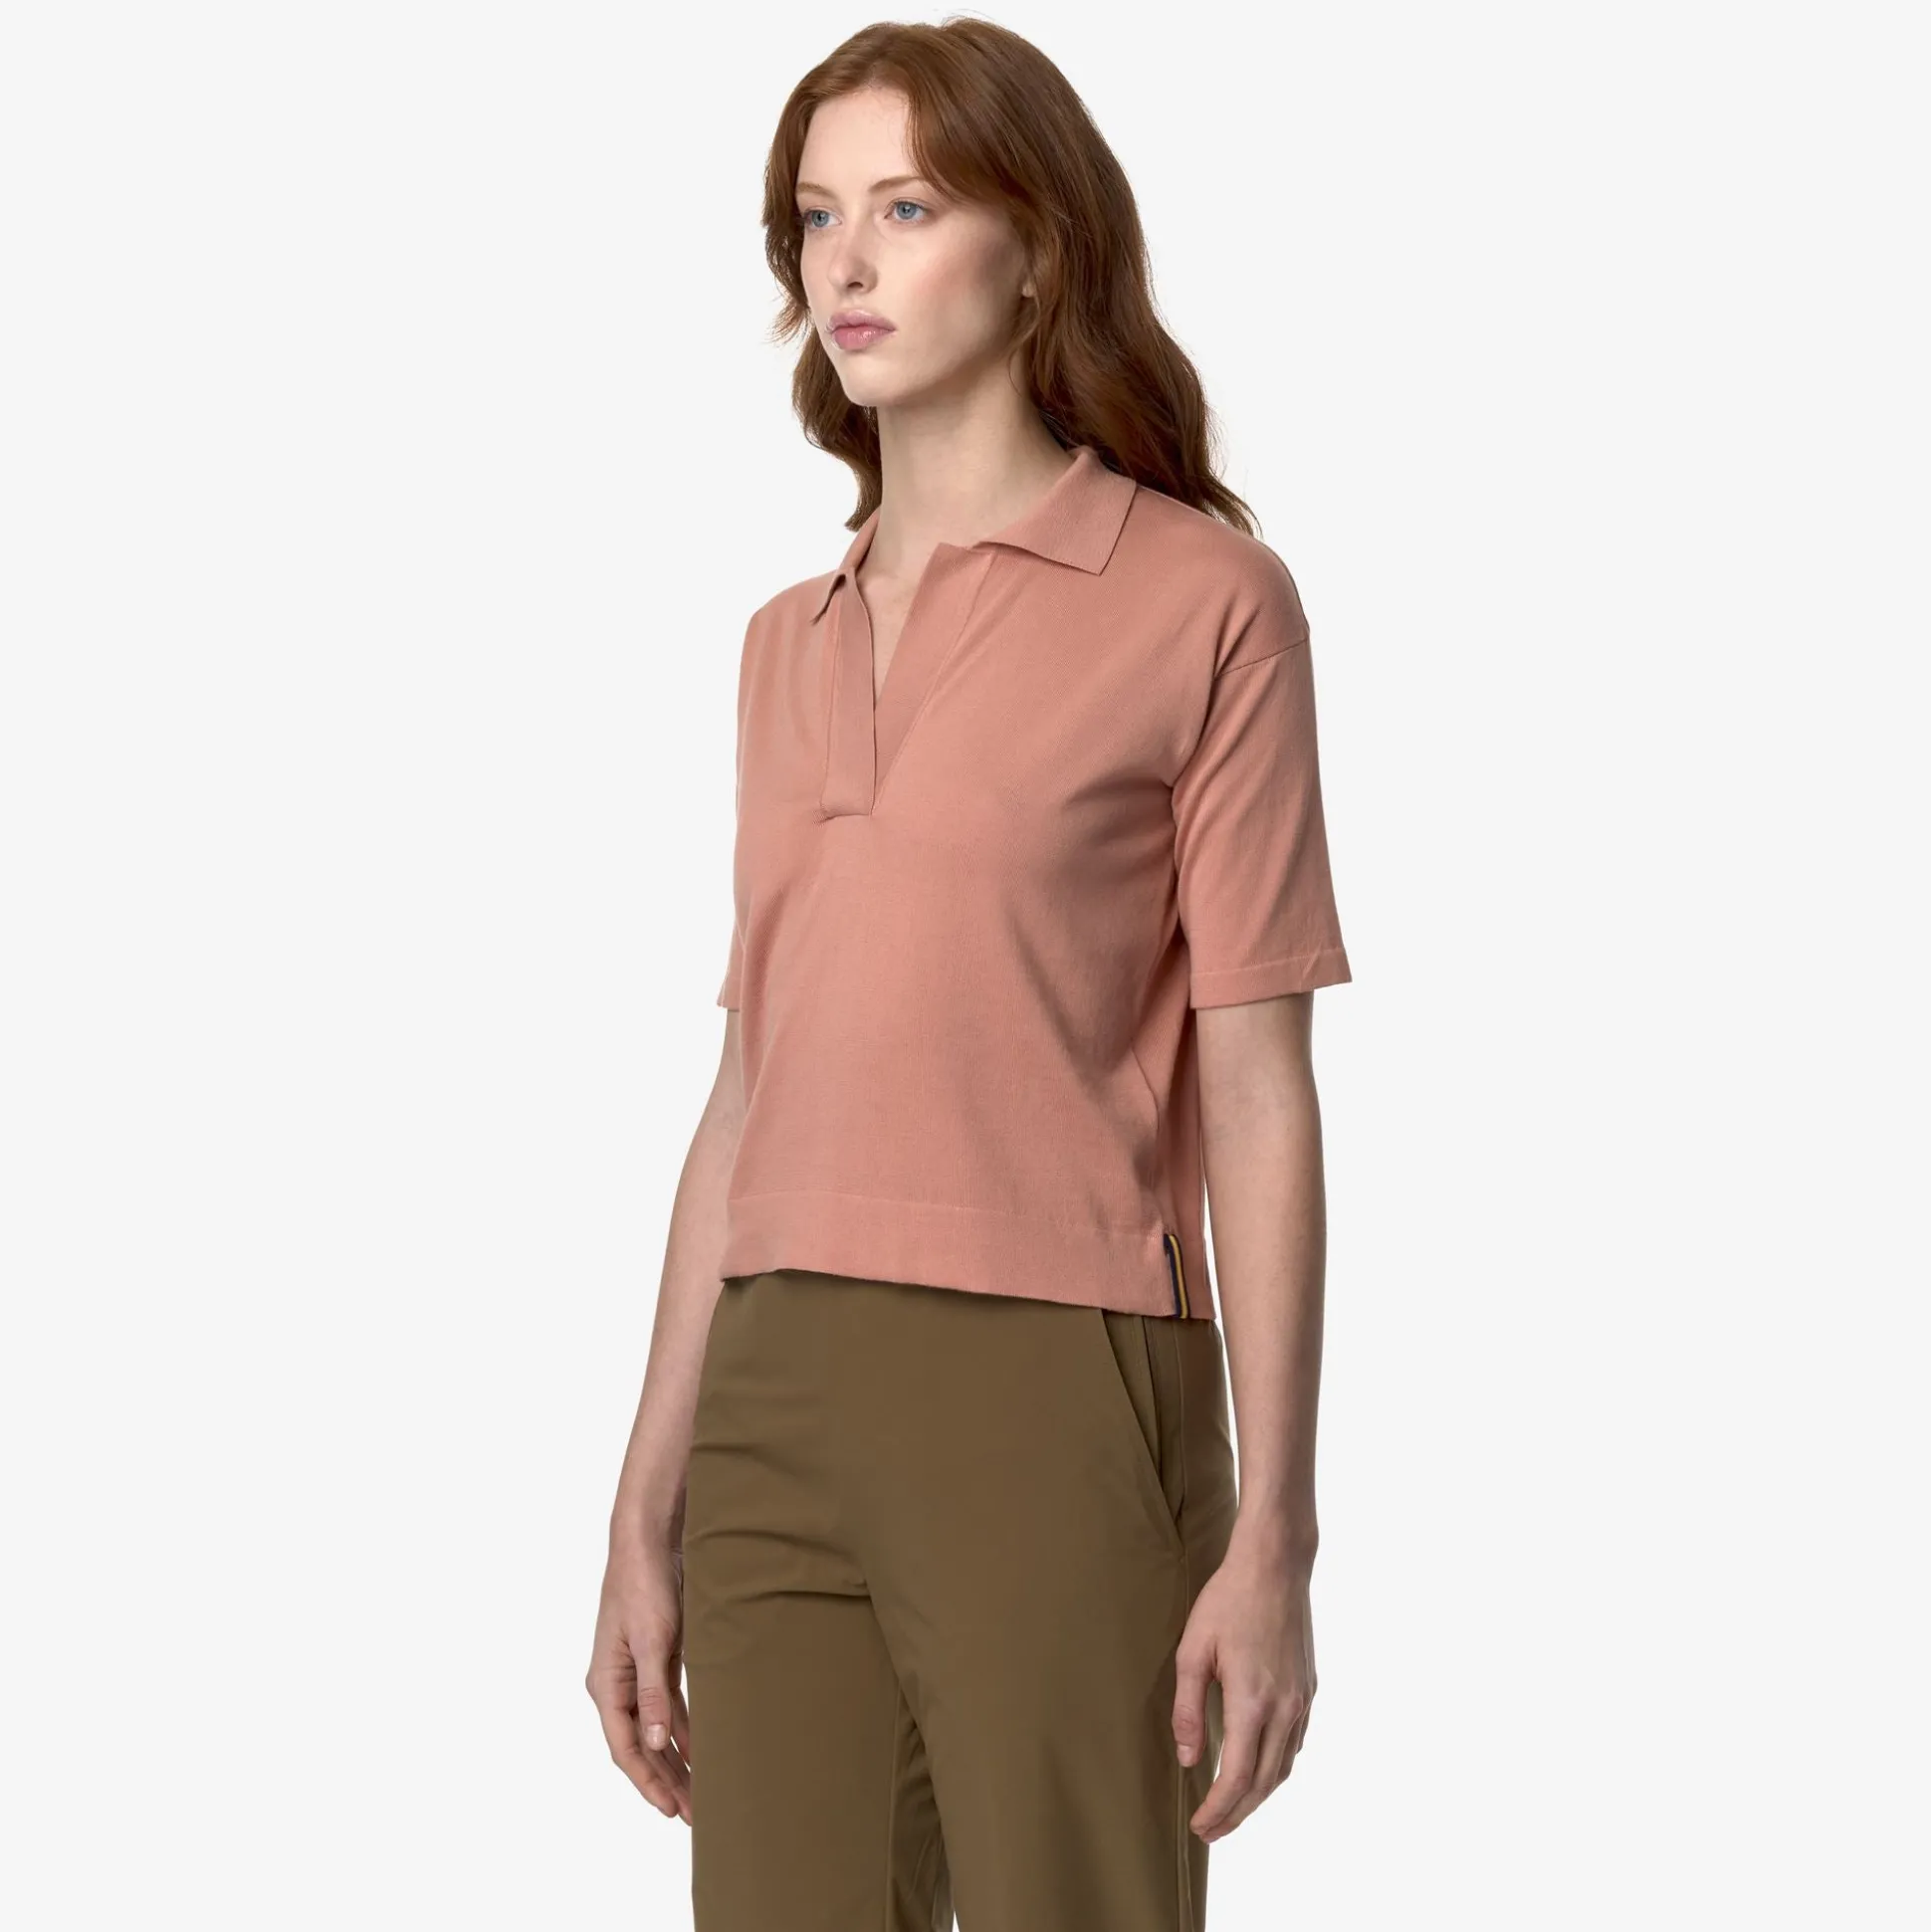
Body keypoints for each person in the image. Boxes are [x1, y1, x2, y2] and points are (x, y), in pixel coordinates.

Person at [588, 19, 1353, 1929]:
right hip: (774, 1396)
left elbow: (1259, 1080)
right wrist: (643, 1498)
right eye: (816, 216)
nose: (845, 262)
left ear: (1037, 250)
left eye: (909, 209)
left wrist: (1276, 1525)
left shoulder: (1203, 603)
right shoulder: (782, 642)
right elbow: (751, 1087)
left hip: (1057, 1385)